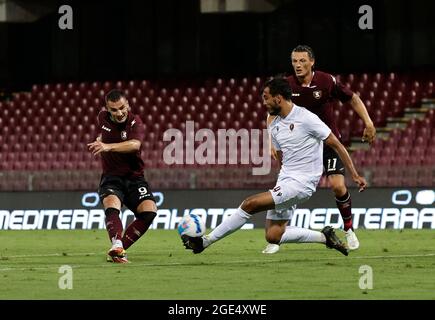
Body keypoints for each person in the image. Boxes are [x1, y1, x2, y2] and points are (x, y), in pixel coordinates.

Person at [181, 77, 367, 256]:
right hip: (286, 180)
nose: (264, 103)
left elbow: (336, 144)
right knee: (273, 235)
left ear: (278, 98)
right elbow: (281, 156)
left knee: (249, 204)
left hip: (302, 183)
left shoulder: (306, 118)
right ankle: (325, 237)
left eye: (266, 98)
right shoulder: (274, 123)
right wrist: (282, 179)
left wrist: (355, 175)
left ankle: (205, 241)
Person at [263, 45, 376, 254]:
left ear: (312, 62)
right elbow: (272, 111)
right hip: (301, 148)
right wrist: (271, 141)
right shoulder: (286, 85)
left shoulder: (326, 81)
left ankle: (349, 229)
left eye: (302, 61)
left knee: (338, 186)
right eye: (294, 61)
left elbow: (353, 98)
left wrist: (368, 122)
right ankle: (275, 235)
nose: (298, 65)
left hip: (326, 142)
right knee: (287, 185)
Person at [87, 89, 157, 263]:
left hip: (135, 178)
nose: (119, 113)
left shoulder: (135, 122)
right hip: (112, 177)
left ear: (128, 105)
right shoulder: (102, 117)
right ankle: (116, 245)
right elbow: (105, 131)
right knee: (112, 206)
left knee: (149, 212)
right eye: (114, 110)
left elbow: (134, 145)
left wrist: (107, 146)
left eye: (122, 108)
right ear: (107, 110)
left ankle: (119, 249)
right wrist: (100, 138)